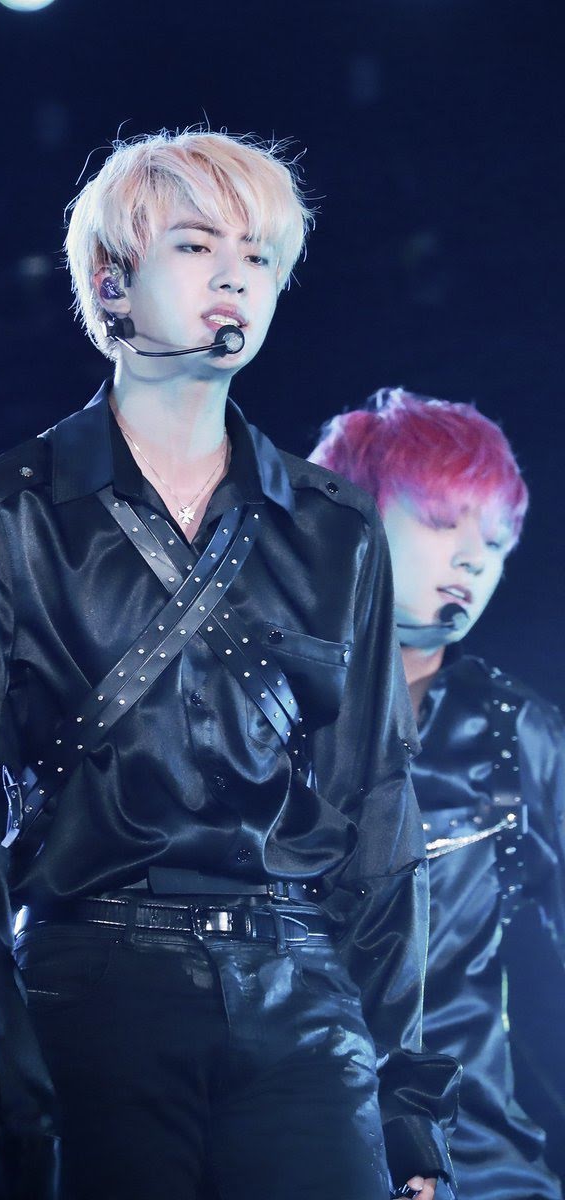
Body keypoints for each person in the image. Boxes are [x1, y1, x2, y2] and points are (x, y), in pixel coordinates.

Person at [0, 132, 458, 1200]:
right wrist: (4, 1106)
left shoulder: (335, 528)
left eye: (259, 256)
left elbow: (379, 814)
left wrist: (405, 1114)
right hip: (91, 986)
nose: (234, 275)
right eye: (197, 246)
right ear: (112, 281)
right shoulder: (1, 517)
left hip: (302, 1001)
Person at [311, 387, 565, 1197]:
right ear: (354, 516)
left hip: (476, 1152)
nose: (472, 561)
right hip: (286, 1138)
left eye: (494, 541)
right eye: (440, 521)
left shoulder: (518, 734)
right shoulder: (252, 710)